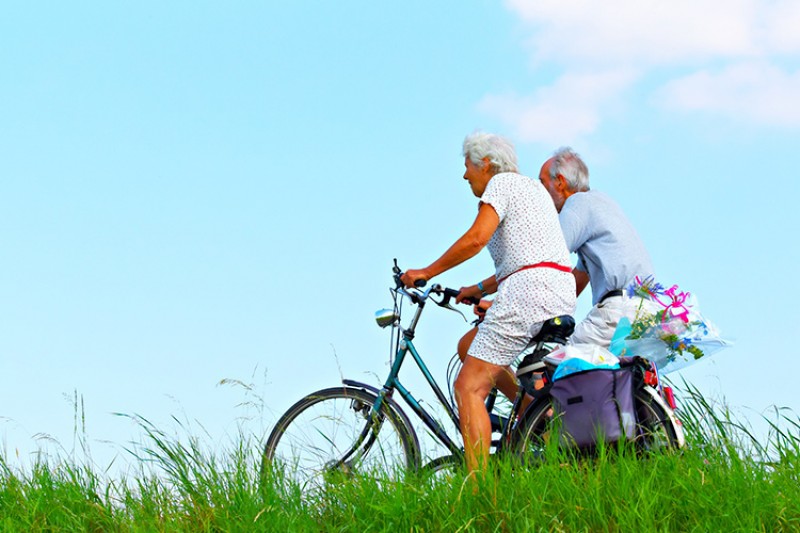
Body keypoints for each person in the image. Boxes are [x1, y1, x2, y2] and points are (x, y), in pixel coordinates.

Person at [401, 132, 575, 473]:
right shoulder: (531, 189)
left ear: (485, 164)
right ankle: (533, 417)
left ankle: (480, 495)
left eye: (467, 166)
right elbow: (531, 256)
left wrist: (426, 271)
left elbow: (476, 238)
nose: (465, 175)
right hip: (555, 289)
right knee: (469, 345)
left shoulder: (501, 184)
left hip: (529, 291)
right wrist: (478, 288)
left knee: (468, 387)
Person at [538, 147, 655, 347]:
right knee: (610, 375)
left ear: (560, 181)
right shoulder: (601, 202)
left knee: (555, 366)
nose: (540, 193)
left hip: (619, 311)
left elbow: (543, 260)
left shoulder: (577, 203)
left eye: (542, 183)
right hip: (646, 311)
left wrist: (501, 303)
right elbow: (577, 281)